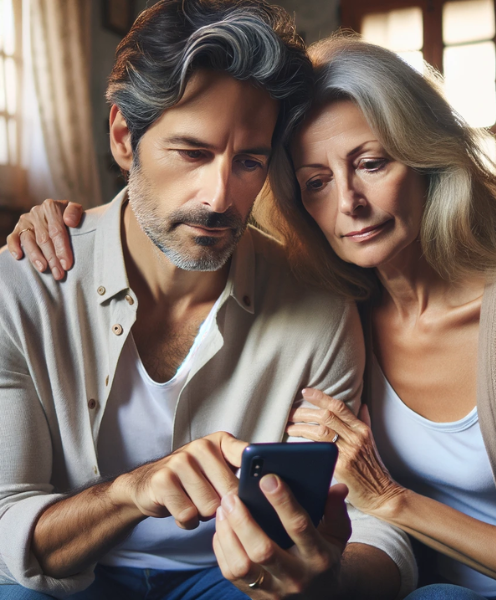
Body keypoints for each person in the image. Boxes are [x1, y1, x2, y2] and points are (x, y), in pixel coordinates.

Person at [18, 34, 496, 600]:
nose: (349, 204)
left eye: (372, 163)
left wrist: (390, 500)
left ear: (426, 159)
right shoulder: (339, 297)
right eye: (317, 182)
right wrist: (60, 224)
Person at [0, 9, 419, 600]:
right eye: (192, 153)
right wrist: (130, 492)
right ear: (124, 137)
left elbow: (357, 513)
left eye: (249, 161)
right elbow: (7, 524)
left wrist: (324, 575)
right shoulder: (23, 285)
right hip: (67, 582)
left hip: (234, 585)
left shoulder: (321, 310)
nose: (220, 197)